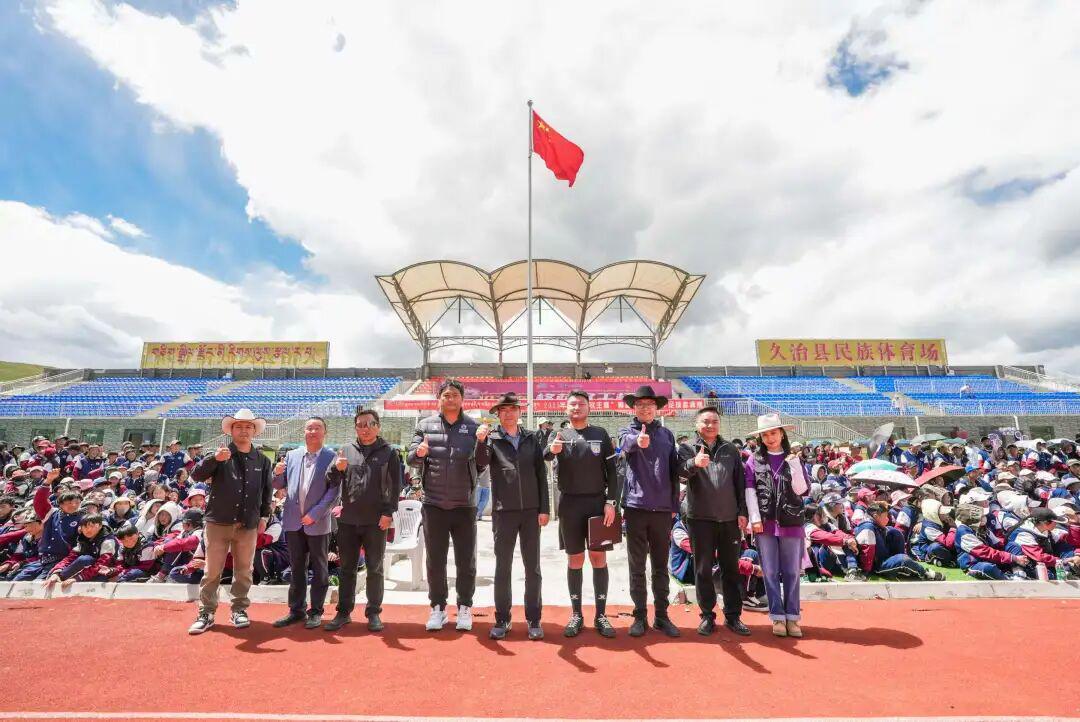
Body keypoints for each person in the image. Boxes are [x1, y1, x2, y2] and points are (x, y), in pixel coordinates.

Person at [407, 378, 491, 632]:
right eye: (446, 395)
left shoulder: (474, 427)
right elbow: (411, 458)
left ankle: (464, 607)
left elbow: (483, 464)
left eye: (455, 395)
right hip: (433, 504)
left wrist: (482, 442)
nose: (450, 399)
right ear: (439, 399)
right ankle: (438, 608)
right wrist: (419, 453)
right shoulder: (425, 426)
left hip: (464, 505)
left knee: (466, 561)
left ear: (462, 399)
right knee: (435, 561)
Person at [187, 409, 274, 635]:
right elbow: (195, 475)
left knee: (244, 570)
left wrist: (264, 516)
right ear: (231, 430)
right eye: (239, 426)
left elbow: (267, 492)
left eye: (248, 426)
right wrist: (213, 459)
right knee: (212, 571)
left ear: (254, 431)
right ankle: (206, 612)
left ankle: (239, 609)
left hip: (248, 523)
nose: (244, 430)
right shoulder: (219, 454)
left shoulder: (263, 461)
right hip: (218, 522)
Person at [544, 390, 618, 639]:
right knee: (575, 560)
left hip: (597, 504)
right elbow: (545, 455)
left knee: (598, 558)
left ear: (589, 407)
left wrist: (611, 502)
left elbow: (613, 471)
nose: (577, 407)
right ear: (566, 408)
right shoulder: (559, 435)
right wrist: (553, 450)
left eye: (581, 404)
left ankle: (601, 615)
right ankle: (576, 614)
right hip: (569, 505)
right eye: (572, 404)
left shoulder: (600, 434)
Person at [324, 408, 401, 633]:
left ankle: (373, 612)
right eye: (360, 425)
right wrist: (337, 469)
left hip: (376, 521)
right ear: (355, 428)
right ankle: (343, 612)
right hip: (348, 521)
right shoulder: (346, 450)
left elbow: (395, 486)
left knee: (374, 568)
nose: (364, 429)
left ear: (378, 426)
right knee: (347, 569)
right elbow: (330, 479)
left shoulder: (389, 453)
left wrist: (388, 513)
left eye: (369, 424)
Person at [677, 406, 750, 637]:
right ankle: (707, 616)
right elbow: (679, 474)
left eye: (714, 421)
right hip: (700, 519)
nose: (710, 425)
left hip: (729, 518)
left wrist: (742, 511)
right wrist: (693, 463)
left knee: (731, 569)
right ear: (697, 424)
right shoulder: (687, 448)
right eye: (705, 421)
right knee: (703, 570)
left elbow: (740, 483)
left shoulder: (730, 449)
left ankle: (733, 616)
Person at [483, 392, 549, 641]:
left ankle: (534, 618)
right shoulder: (491, 440)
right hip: (504, 512)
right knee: (503, 567)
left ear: (520, 412)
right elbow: (479, 463)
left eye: (513, 409)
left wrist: (544, 509)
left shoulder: (532, 439)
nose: (509, 413)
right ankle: (503, 618)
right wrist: (480, 442)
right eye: (504, 410)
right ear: (498, 414)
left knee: (532, 567)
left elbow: (541, 474)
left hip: (531, 512)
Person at [618, 385, 681, 638]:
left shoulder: (667, 435)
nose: (645, 408)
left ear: (656, 408)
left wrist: (674, 506)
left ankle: (662, 616)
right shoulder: (626, 431)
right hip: (635, 508)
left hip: (663, 510)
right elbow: (625, 444)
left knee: (660, 566)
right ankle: (640, 616)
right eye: (640, 404)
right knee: (637, 566)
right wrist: (637, 441)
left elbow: (674, 471)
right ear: (634, 408)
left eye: (650, 404)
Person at [744, 413, 809, 638]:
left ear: (782, 433)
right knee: (770, 571)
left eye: (773, 433)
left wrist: (795, 465)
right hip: (765, 522)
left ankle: (793, 617)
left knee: (791, 571)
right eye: (765, 435)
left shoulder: (794, 458)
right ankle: (777, 617)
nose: (770, 438)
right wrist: (754, 518)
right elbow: (750, 490)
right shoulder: (753, 460)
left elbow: (802, 490)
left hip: (791, 521)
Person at [271, 417, 338, 630]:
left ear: (325, 432)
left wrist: (315, 514)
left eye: (317, 428)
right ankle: (296, 610)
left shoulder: (332, 457)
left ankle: (316, 611)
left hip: (318, 522)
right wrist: (276, 473)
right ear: (304, 432)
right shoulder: (292, 455)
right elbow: (278, 484)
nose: (313, 431)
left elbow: (334, 491)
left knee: (319, 568)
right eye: (309, 428)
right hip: (293, 521)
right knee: (297, 567)